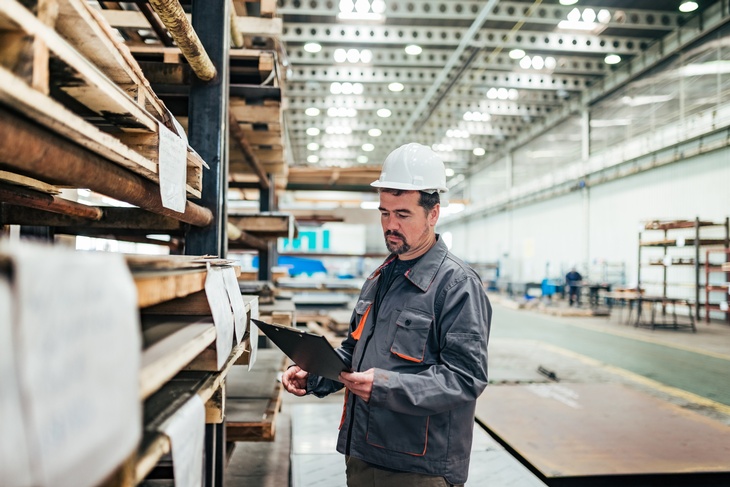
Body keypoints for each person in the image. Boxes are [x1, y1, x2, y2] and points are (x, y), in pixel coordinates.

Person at [282, 143, 491, 486]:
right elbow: (354, 352)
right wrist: (314, 374)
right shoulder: (380, 278)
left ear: (433, 214)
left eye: (403, 214)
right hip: (363, 453)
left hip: (418, 469)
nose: (390, 225)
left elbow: (466, 378)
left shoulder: (457, 285)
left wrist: (386, 386)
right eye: (384, 213)